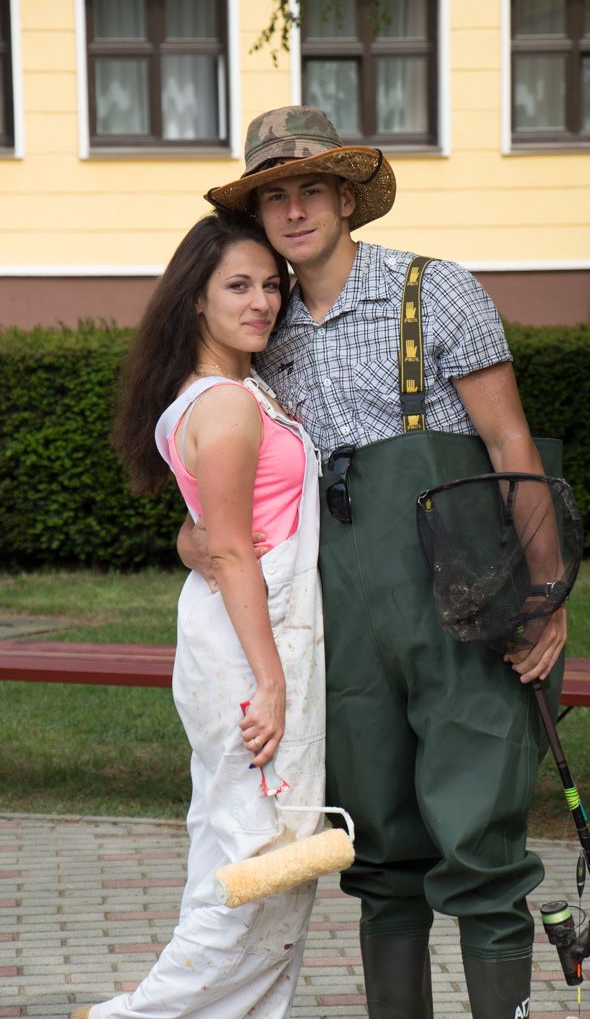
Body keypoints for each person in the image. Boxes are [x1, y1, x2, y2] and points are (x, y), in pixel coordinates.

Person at [181, 106, 568, 1019]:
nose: (294, 210)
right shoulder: (261, 323)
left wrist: (546, 594)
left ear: (346, 198)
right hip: (342, 620)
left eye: (311, 189)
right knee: (382, 853)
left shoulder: (434, 289)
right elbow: (222, 489)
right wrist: (196, 542)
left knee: (480, 842)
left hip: (464, 606)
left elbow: (510, 445)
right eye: (274, 195)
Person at [70, 210, 326, 1019]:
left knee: (240, 854)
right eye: (237, 286)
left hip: (247, 635)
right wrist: (271, 683)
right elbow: (231, 551)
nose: (262, 302)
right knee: (263, 865)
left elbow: (206, 535)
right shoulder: (223, 405)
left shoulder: (236, 393)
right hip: (253, 648)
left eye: (270, 286)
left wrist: (197, 546)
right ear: (196, 299)